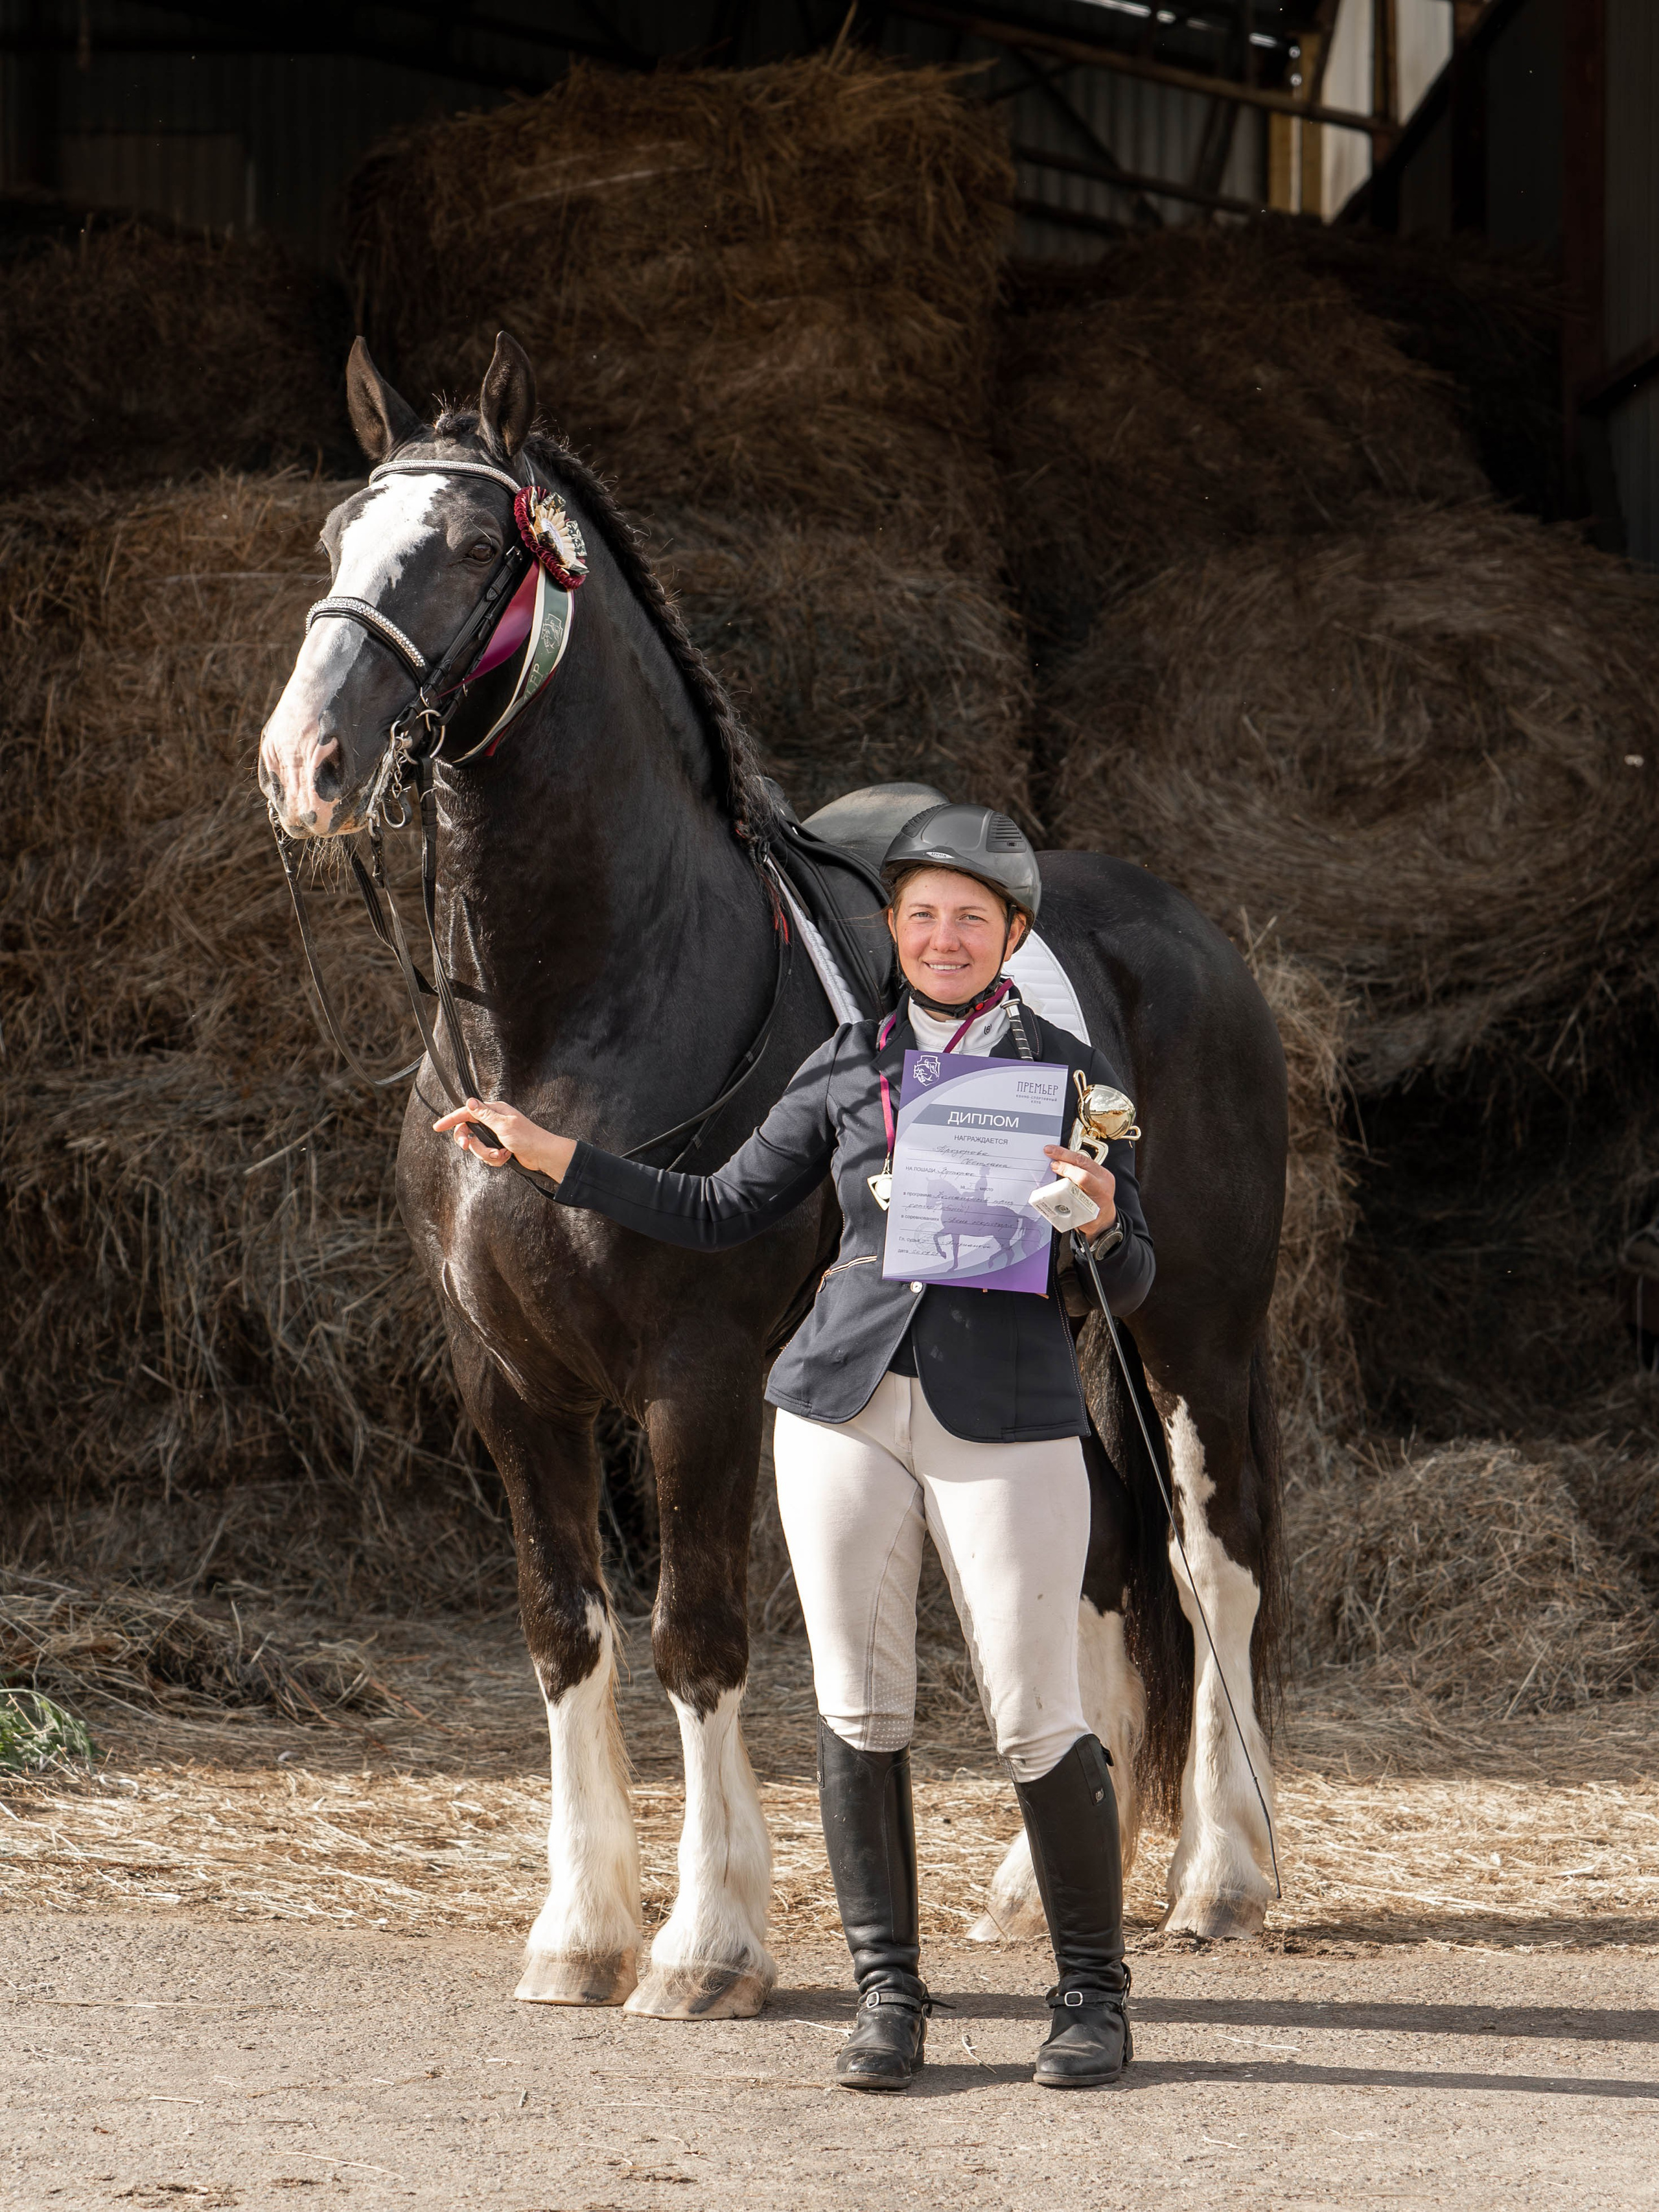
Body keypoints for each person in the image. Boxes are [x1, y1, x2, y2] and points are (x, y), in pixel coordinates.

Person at [435, 804, 1154, 2092]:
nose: (943, 937)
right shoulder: (838, 1069)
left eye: (970, 919)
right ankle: (889, 1994)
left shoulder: (1070, 1083)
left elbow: (1136, 1275)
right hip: (838, 1411)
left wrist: (1099, 1221)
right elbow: (714, 1210)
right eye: (921, 915)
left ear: (1010, 937)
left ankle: (1091, 1995)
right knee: (856, 1708)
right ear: (893, 930)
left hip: (1008, 1412)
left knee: (1033, 1715)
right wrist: (554, 1159)